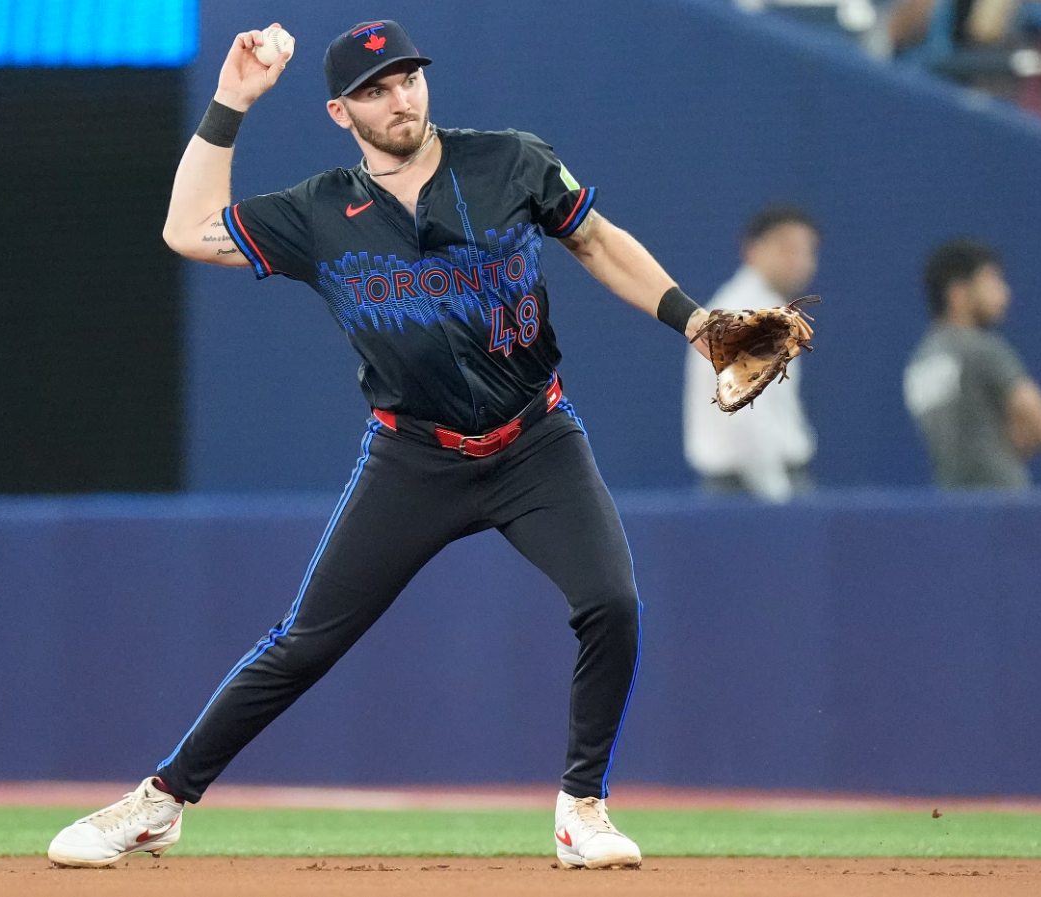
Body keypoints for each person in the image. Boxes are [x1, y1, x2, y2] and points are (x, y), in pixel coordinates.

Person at [48, 19, 716, 871]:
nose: (399, 97)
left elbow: (594, 239)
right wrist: (230, 102)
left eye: (407, 78)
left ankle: (581, 808)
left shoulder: (508, 160)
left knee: (612, 603)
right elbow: (186, 229)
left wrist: (694, 320)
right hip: (414, 454)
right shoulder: (319, 211)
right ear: (339, 111)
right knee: (305, 641)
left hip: (533, 438)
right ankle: (161, 800)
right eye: (375, 89)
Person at [683, 206, 821, 502]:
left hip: (752, 484)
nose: (800, 261)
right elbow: (746, 413)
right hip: (751, 489)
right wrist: (777, 496)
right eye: (787, 248)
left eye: (807, 251)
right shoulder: (748, 314)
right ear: (753, 249)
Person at [904, 239, 1041, 490]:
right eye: (992, 281)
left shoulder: (919, 362)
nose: (1004, 293)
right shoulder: (982, 349)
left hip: (953, 510)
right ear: (957, 292)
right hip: (1004, 507)